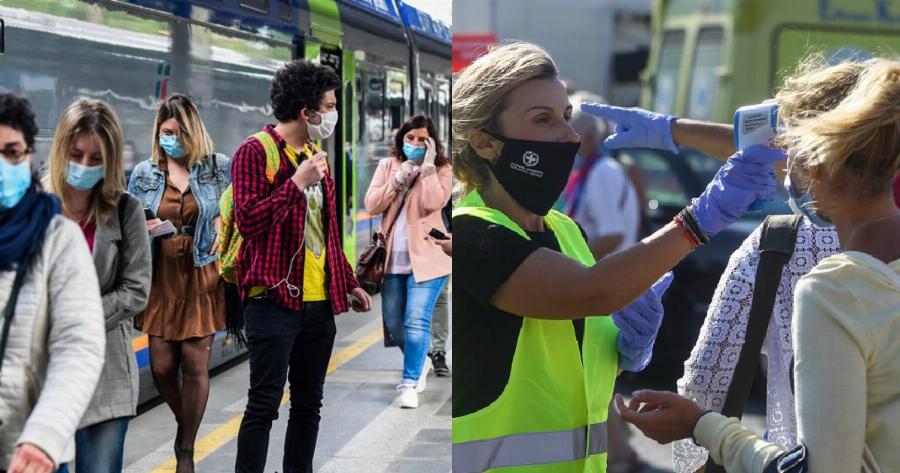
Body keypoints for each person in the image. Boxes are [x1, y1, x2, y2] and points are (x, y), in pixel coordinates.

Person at [451, 41, 780, 472]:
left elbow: (561, 369)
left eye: (566, 117)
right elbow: (590, 293)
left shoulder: (565, 230)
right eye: (543, 120)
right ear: (484, 143)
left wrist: (620, 351)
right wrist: (700, 218)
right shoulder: (471, 231)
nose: (569, 136)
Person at [615, 57, 900, 473]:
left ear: (812, 164)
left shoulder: (829, 288)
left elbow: (820, 467)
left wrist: (701, 426)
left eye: (788, 152)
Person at [231, 59, 372, 473]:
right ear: (305, 112)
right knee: (263, 405)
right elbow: (249, 221)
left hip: (317, 306)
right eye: (328, 107)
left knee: (309, 404)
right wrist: (295, 183)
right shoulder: (255, 152)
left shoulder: (315, 155)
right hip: (272, 302)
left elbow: (325, 232)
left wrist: (347, 281)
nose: (332, 115)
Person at [44, 99, 152, 473]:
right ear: (60, 148)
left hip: (105, 374)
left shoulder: (126, 210)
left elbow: (136, 291)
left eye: (96, 159)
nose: (84, 166)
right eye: (76, 154)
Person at [0, 93, 105, 473]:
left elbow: (78, 344)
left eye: (12, 152)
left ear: (29, 155)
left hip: (29, 453)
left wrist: (44, 436)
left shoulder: (56, 238)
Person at [127, 93, 231, 472]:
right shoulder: (144, 173)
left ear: (194, 132)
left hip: (202, 272)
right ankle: (185, 422)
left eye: (179, 132)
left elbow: (233, 209)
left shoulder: (218, 168)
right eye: (166, 132)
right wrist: (145, 226)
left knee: (195, 362)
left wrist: (222, 222)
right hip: (162, 277)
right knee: (162, 367)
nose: (171, 139)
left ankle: (185, 451)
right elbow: (129, 219)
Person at [364, 114, 452, 408]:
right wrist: (397, 179)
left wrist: (426, 168)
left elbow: (433, 202)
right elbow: (372, 203)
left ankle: (409, 383)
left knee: (417, 320)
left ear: (431, 143)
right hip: (391, 261)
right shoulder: (388, 166)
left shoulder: (441, 169)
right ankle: (423, 360)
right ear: (402, 139)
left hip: (429, 259)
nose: (414, 143)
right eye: (410, 138)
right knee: (394, 323)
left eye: (421, 140)